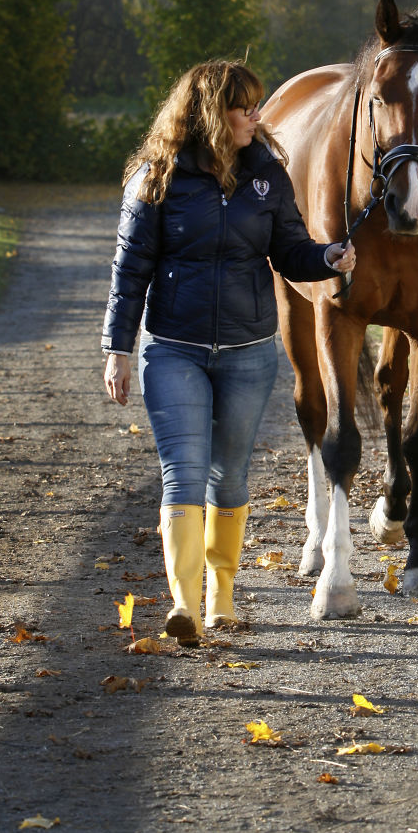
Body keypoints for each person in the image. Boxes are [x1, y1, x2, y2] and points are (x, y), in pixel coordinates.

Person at [101, 59, 355, 645]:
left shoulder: (267, 174)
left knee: (230, 477)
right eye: (244, 107)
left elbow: (290, 251)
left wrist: (329, 257)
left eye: (258, 105)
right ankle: (185, 606)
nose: (256, 117)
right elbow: (129, 270)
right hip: (173, 351)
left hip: (248, 353)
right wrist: (117, 348)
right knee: (183, 472)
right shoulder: (156, 176)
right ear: (211, 114)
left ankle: (222, 598)